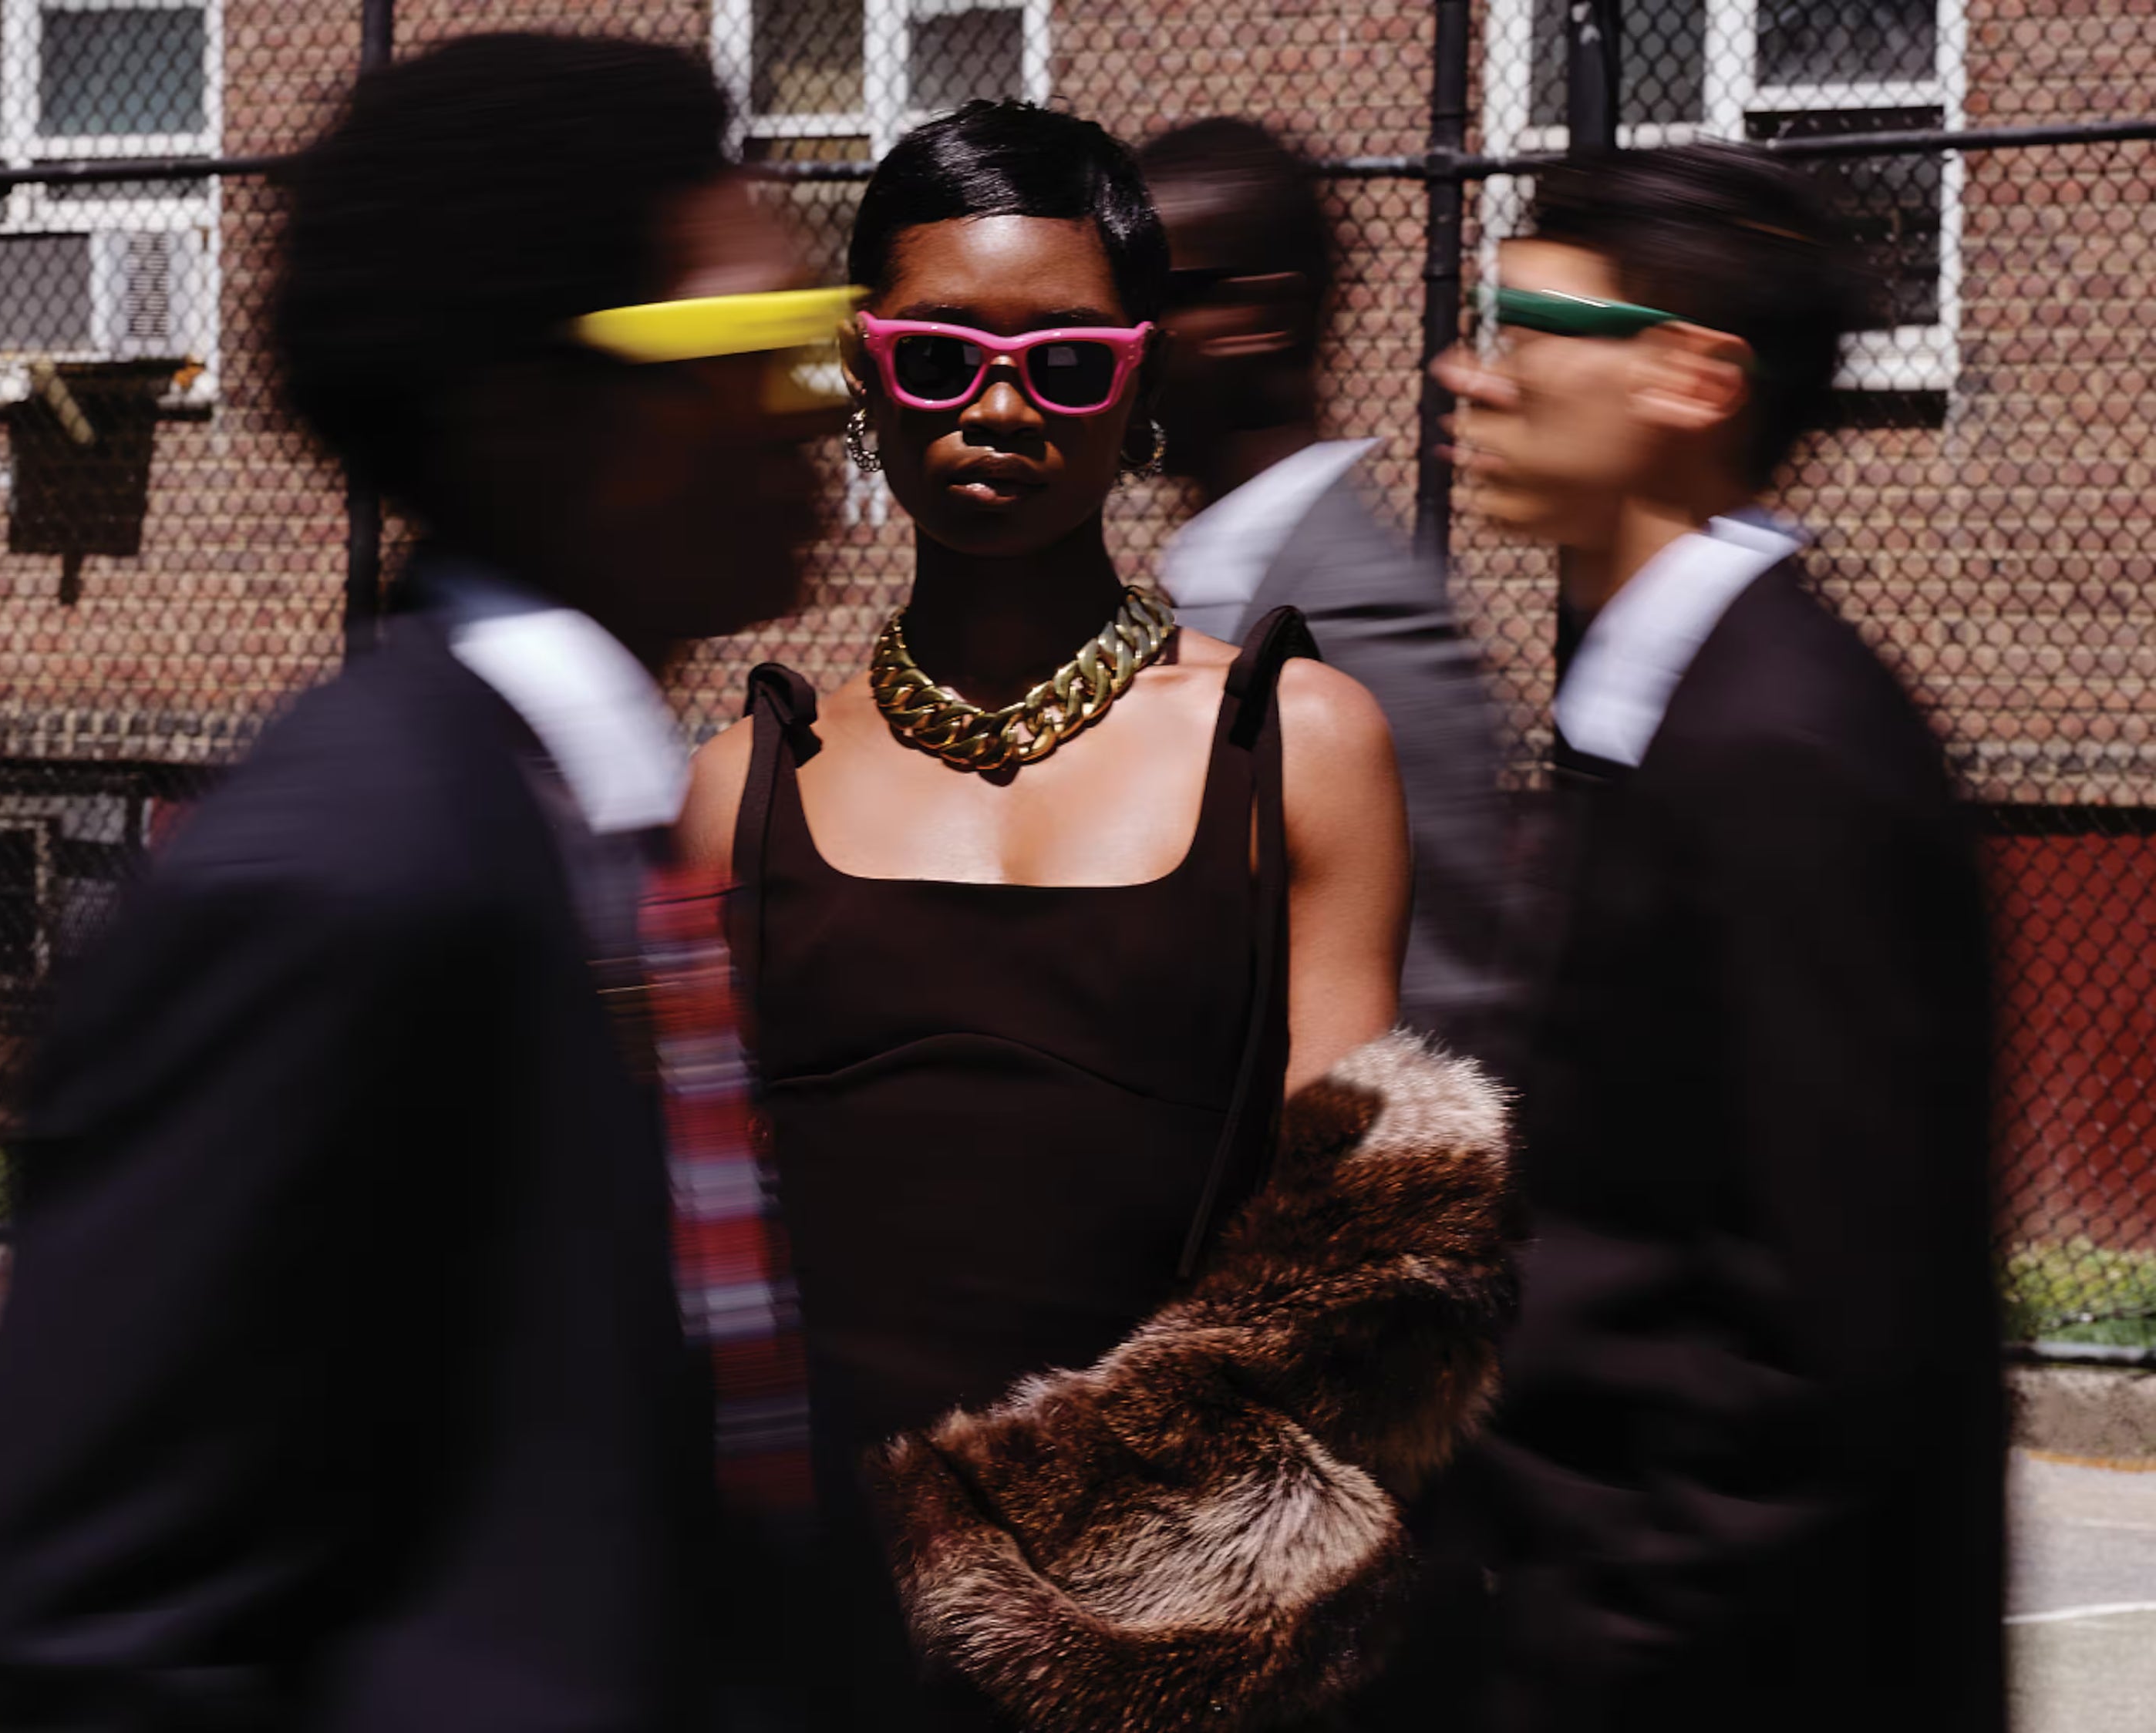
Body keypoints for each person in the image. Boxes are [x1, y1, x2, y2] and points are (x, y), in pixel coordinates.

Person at [0, 35, 845, 1731]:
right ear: (538, 415)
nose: (824, 401)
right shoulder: (343, 878)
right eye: (758, 350)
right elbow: (78, 1622)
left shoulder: (602, 832)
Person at [677, 100, 1513, 1731]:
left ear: (1138, 381)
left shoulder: (1297, 744)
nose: (998, 405)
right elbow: (709, 1296)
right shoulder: (746, 784)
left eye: (1064, 362)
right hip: (826, 1651)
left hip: (1177, 1652)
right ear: (861, 367)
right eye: (939, 357)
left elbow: (1344, 1286)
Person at [1430, 143, 2006, 1733]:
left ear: (1691, 377)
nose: (1473, 372)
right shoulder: (1677, 716)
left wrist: (1590, 1655)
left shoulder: (1779, 749)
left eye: (1531, 326)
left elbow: (1832, 1333)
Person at [1140, 117, 1512, 1068]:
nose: (1110, 340)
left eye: (1145, 298)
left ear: (1258, 315)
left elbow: (1424, 1027)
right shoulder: (1210, 585)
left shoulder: (1360, 627)